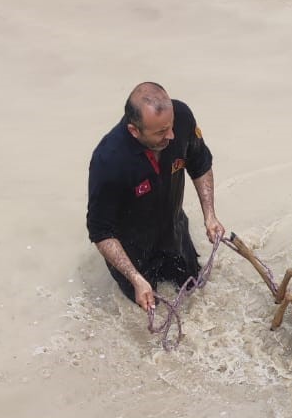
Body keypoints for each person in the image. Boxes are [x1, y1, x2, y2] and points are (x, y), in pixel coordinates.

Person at [86, 82, 224, 312]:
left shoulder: (181, 118)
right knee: (149, 315)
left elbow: (200, 165)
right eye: (160, 132)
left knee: (195, 293)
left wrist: (210, 216)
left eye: (170, 126)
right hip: (133, 251)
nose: (170, 135)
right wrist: (135, 278)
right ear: (134, 131)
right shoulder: (109, 160)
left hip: (174, 231)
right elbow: (100, 231)